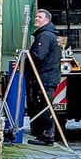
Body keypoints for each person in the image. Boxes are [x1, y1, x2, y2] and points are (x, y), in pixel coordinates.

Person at [26, 9, 61, 146]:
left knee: (44, 106)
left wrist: (26, 59)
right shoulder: (48, 35)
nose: (37, 19)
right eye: (36, 16)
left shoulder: (45, 36)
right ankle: (44, 134)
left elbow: (38, 55)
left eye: (39, 17)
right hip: (47, 76)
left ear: (46, 20)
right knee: (44, 105)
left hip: (45, 76)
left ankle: (47, 135)